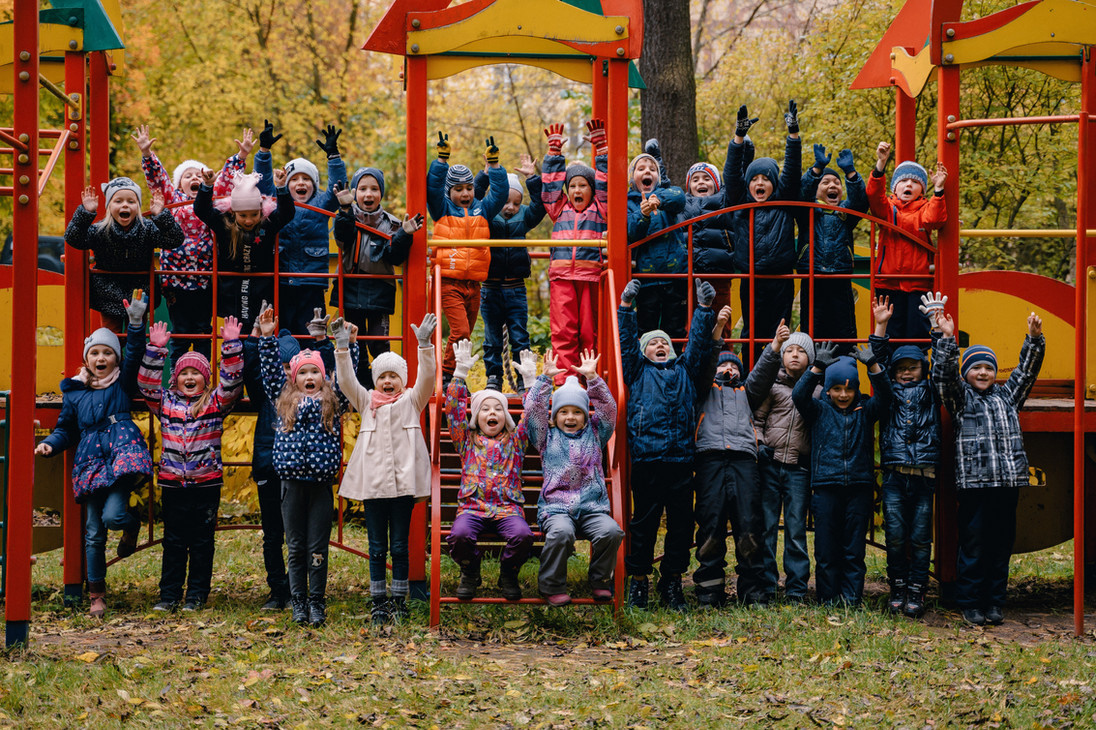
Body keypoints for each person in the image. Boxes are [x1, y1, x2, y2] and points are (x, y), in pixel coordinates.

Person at [35, 293, 154, 617]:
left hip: (119, 457)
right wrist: (51, 443)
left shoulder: (122, 385)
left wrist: (135, 324)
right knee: (93, 532)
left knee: (113, 516)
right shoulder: (75, 393)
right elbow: (66, 429)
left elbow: (136, 356)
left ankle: (131, 525)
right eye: (95, 353)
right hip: (89, 463)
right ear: (87, 358)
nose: (101, 358)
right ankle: (96, 594)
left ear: (114, 358)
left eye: (107, 353)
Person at [932, 305, 1044, 627]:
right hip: (975, 486)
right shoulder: (960, 399)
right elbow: (943, 377)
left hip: (1007, 484)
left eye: (988, 368)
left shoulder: (1008, 397)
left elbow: (1026, 372)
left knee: (1000, 543)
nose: (983, 373)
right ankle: (970, 602)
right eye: (976, 368)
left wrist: (1034, 340)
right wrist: (947, 339)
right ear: (966, 373)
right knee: (974, 544)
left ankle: (995, 601)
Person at [242, 306, 351, 611]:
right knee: (278, 535)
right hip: (278, 469)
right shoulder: (279, 396)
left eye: (312, 371)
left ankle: (311, 597)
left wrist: (336, 344)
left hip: (316, 478)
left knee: (311, 539)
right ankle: (283, 593)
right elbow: (266, 368)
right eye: (300, 371)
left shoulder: (328, 401)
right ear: (291, 376)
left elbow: (343, 381)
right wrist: (262, 338)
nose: (307, 376)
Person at [619, 278, 717, 610]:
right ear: (644, 352)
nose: (660, 346)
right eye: (653, 344)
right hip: (647, 460)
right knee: (643, 524)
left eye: (664, 343)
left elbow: (700, 345)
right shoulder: (636, 371)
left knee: (680, 526)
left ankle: (672, 579)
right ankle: (639, 580)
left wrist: (704, 310)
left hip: (679, 461)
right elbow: (626, 343)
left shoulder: (685, 371)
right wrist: (626, 308)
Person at [138, 316, 244, 612]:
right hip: (173, 483)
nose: (188, 377)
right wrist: (156, 351)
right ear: (174, 378)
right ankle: (169, 595)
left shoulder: (214, 404)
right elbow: (146, 385)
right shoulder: (165, 404)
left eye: (195, 373)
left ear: (205, 379)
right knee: (173, 542)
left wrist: (231, 345)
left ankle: (197, 594)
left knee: (201, 542)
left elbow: (233, 382)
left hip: (205, 483)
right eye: (182, 372)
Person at [336, 313, 437, 624]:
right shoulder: (366, 402)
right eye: (382, 377)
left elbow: (428, 379)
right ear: (375, 380)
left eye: (394, 376)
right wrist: (342, 348)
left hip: (403, 487)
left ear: (402, 380)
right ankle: (378, 600)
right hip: (374, 487)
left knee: (399, 546)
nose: (388, 381)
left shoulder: (412, 401)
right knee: (377, 546)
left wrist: (424, 346)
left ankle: (399, 599)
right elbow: (346, 381)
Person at [692, 309, 786, 608]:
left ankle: (753, 591)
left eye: (734, 367)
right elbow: (706, 365)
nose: (729, 370)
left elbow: (761, 375)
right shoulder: (703, 390)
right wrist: (718, 331)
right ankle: (709, 591)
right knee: (711, 525)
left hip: (745, 461)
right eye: (724, 367)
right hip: (710, 459)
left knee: (749, 526)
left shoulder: (747, 392)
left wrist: (774, 348)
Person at [134, 124, 251, 359]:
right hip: (176, 279)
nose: (194, 177)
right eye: (188, 176)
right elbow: (158, 181)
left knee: (203, 333)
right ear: (179, 185)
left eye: (199, 174)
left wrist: (241, 156)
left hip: (205, 280)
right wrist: (147, 154)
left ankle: (203, 379)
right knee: (180, 334)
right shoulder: (173, 198)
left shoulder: (212, 201)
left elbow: (226, 181)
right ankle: (179, 382)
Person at [520, 349, 624, 606]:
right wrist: (544, 381)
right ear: (554, 416)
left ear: (585, 415)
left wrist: (593, 379)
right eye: (563, 412)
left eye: (577, 412)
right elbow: (533, 411)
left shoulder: (597, 434)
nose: (570, 417)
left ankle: (600, 580)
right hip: (556, 511)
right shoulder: (545, 437)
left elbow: (610, 409)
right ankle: (551, 584)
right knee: (561, 534)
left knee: (611, 531)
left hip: (592, 508)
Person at [792, 342, 892, 605]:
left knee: (853, 548)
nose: (844, 394)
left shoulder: (866, 410)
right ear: (827, 389)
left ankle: (851, 597)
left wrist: (873, 366)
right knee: (826, 548)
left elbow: (887, 396)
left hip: (858, 487)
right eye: (837, 388)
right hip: (826, 486)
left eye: (849, 388)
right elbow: (799, 396)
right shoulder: (819, 409)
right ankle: (827, 596)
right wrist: (816, 368)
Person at [443, 339, 533, 601]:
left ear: (506, 416)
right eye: (485, 409)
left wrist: (529, 383)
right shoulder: (466, 442)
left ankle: (508, 572)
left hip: (507, 509)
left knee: (523, 536)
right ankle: (470, 571)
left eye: (498, 409)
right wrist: (459, 374)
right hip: (473, 508)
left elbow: (533, 414)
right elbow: (453, 411)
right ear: (476, 417)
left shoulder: (516, 442)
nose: (492, 413)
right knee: (458, 536)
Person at [868, 294, 940, 617]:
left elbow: (942, 368)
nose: (907, 373)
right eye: (901, 369)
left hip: (924, 476)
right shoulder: (889, 394)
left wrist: (937, 330)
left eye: (913, 368)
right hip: (895, 476)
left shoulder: (930, 392)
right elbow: (879, 363)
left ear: (923, 371)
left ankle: (917, 590)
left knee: (922, 538)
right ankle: (897, 585)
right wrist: (880, 326)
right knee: (896, 536)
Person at [426, 133, 509, 384]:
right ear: (449, 191)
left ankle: (455, 376)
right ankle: (449, 375)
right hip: (450, 281)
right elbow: (432, 187)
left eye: (469, 188)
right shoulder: (442, 209)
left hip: (474, 284)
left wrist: (494, 166)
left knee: (466, 334)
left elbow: (501, 193)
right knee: (461, 332)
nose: (465, 193)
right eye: (458, 189)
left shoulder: (481, 209)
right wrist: (441, 161)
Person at [725, 102, 803, 365]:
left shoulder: (783, 200)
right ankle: (750, 377)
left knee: (779, 331)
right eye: (755, 179)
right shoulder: (741, 202)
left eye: (766, 179)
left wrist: (793, 134)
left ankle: (779, 377)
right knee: (752, 333)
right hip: (752, 277)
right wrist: (738, 137)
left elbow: (792, 172)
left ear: (774, 183)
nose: (760, 183)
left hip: (781, 278)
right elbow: (731, 174)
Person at [331, 167, 422, 387]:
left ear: (381, 193)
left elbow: (395, 257)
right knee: (355, 341)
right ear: (354, 192)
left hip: (379, 289)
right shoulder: (346, 217)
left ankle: (387, 382)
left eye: (374, 189)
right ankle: (358, 386)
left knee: (378, 340)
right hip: (351, 286)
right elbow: (342, 237)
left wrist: (404, 235)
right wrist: (344, 210)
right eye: (362, 189)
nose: (368, 194)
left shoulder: (391, 224)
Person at [255, 121, 347, 334]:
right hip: (282, 279)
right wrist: (263, 152)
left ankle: (311, 365)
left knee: (310, 331)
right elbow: (262, 183)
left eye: (306, 179)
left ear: (314, 185)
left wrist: (333, 156)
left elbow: (338, 187)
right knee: (283, 330)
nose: (300, 183)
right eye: (294, 179)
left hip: (312, 281)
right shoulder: (277, 202)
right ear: (286, 185)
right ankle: (285, 367)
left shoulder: (321, 203)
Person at [64, 179, 184, 332]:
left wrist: (160, 216)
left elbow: (175, 239)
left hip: (140, 294)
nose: (125, 205)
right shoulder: (101, 230)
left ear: (138, 207)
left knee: (136, 337)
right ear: (109, 206)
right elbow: (73, 238)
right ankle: (112, 355)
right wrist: (85, 213)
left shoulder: (146, 229)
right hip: (108, 293)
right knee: (110, 337)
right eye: (118, 201)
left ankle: (135, 356)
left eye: (131, 201)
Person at [754, 330, 817, 603]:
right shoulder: (773, 386)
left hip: (798, 470)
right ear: (782, 356)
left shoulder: (817, 390)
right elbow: (756, 419)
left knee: (795, 529)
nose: (794, 354)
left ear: (810, 358)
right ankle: (767, 585)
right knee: (767, 527)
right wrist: (760, 444)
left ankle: (796, 588)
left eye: (801, 351)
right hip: (771, 464)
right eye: (790, 350)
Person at [542, 120, 608, 381]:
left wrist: (601, 149)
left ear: (592, 190)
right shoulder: (559, 210)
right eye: (572, 186)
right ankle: (565, 381)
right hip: (562, 278)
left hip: (590, 276)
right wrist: (554, 154)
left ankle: (589, 378)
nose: (577, 190)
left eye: (583, 185)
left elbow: (606, 184)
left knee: (590, 332)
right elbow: (548, 190)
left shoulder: (600, 209)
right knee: (563, 331)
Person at [474, 153, 545, 391]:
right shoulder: (486, 215)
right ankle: (494, 378)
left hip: (516, 288)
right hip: (491, 287)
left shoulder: (524, 217)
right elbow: (474, 198)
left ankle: (525, 379)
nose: (510, 207)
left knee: (520, 338)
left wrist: (532, 178)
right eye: (505, 201)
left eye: (516, 203)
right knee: (492, 339)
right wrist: (485, 175)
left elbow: (539, 206)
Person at [193, 166, 295, 331]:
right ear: (233, 212)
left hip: (262, 285)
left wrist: (282, 187)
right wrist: (207, 186)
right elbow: (201, 210)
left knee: (259, 327)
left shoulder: (266, 224)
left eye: (254, 215)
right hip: (231, 287)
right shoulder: (224, 224)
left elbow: (287, 213)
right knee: (235, 329)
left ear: (261, 211)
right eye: (243, 216)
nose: (249, 221)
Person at [867, 141, 948, 345]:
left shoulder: (925, 208)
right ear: (895, 187)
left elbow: (935, 219)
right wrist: (880, 164)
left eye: (915, 182)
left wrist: (939, 190)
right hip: (889, 281)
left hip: (918, 282)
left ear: (922, 189)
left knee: (917, 332)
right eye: (904, 181)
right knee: (889, 330)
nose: (909, 184)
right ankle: (892, 372)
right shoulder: (888, 209)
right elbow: (874, 197)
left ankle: (914, 371)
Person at [798, 144, 867, 349]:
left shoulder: (845, 213)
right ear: (817, 189)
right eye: (825, 182)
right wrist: (817, 169)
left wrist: (851, 174)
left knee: (844, 329)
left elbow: (860, 202)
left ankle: (845, 370)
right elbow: (802, 193)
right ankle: (813, 374)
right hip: (813, 276)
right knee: (813, 329)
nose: (832, 186)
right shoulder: (808, 210)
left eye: (837, 183)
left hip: (840, 276)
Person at [627, 142, 688, 347]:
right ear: (632, 178)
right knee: (647, 328)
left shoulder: (667, 196)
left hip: (674, 277)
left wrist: (657, 198)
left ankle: (675, 368)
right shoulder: (628, 202)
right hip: (646, 279)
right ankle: (648, 371)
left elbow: (680, 199)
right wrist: (643, 214)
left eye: (652, 169)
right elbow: (630, 232)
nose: (647, 172)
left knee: (676, 328)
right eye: (641, 169)